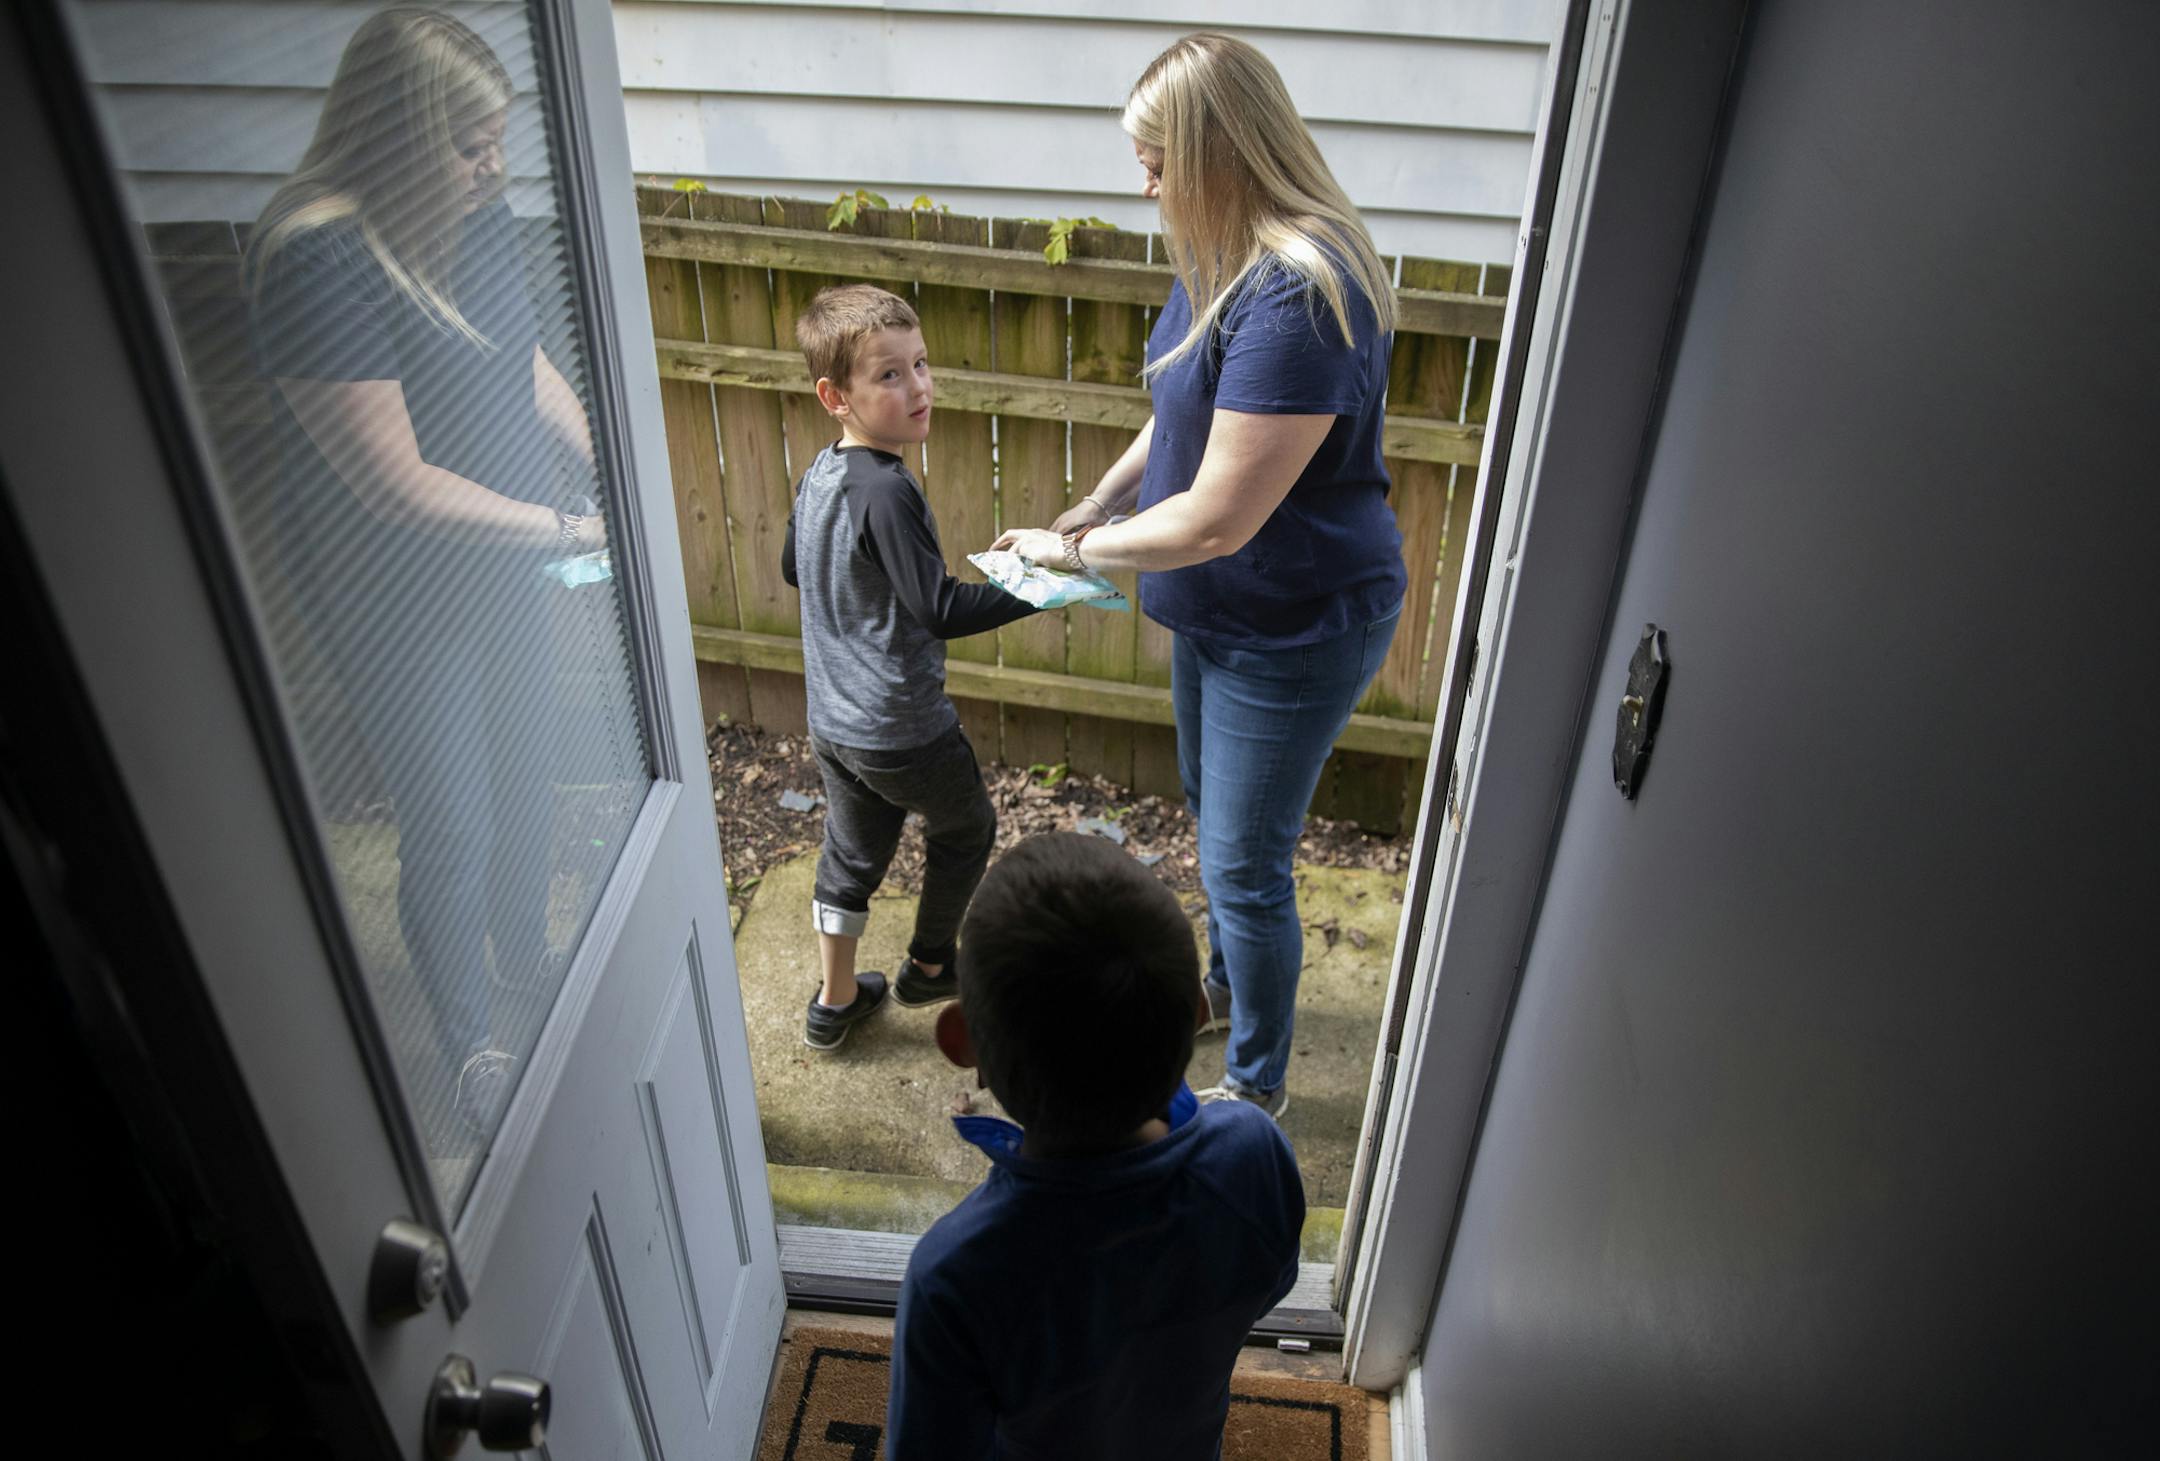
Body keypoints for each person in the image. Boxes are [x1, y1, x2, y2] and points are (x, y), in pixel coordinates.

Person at [992, 33, 1407, 1119]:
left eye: (1158, 158)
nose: (1145, 183)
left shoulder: (1303, 295)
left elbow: (1220, 518)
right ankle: (1223, 989)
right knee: (1211, 814)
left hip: (1295, 622)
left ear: (1220, 151)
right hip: (1220, 611)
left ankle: (1257, 1089)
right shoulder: (1222, 256)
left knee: (1246, 868)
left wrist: (1067, 552)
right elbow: (1179, 406)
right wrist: (1098, 502)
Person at [244, 8, 606, 1145]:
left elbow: (526, 355)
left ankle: (525, 955)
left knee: (528, 769)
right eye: (464, 143)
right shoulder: (317, 255)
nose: (491, 163)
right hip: (397, 597)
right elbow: (392, 485)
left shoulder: (474, 211)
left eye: (496, 137)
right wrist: (561, 520)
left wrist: (602, 461)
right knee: (448, 813)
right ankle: (471, 1041)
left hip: (504, 562)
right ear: (391, 135)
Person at [887, 832, 1305, 1457]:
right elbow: (1272, 1280)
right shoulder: (1254, 1156)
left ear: (961, 1043)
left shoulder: (954, 1274)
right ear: (1196, 1017)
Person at [781, 284, 1041, 1051]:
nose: (918, 386)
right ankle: (930, 963)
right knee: (967, 825)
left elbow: (796, 569)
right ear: (836, 395)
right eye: (888, 375)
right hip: (902, 728)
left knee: (853, 850)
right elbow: (941, 610)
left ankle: (834, 1001)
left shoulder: (821, 473)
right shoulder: (888, 490)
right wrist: (1036, 589)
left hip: (835, 721)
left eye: (921, 364)